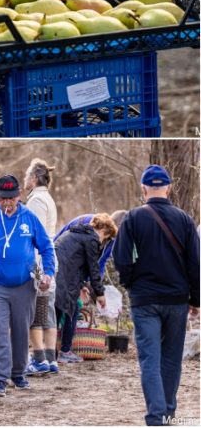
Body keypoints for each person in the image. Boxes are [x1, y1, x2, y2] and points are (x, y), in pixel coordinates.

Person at [113, 165, 200, 426]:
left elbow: (121, 258)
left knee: (150, 358)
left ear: (143, 189)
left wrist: (131, 283)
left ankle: (156, 415)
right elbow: (195, 262)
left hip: (145, 299)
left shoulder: (132, 218)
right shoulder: (184, 219)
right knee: (172, 357)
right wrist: (195, 299)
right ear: (169, 188)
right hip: (176, 299)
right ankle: (168, 410)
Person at [0, 175, 55, 397]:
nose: (7, 203)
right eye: (3, 199)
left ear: (19, 196)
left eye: (11, 199)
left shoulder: (29, 218)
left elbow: (46, 248)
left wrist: (48, 273)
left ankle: (18, 374)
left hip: (24, 285)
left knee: (20, 331)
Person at [54, 213, 116, 366]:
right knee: (72, 310)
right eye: (106, 239)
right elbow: (93, 267)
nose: (104, 243)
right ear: (104, 231)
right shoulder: (92, 239)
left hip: (57, 271)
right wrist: (100, 294)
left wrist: (82, 285)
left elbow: (78, 263)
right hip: (64, 275)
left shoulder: (77, 232)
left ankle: (51, 352)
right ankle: (65, 351)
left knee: (57, 312)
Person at [23, 159, 59, 377]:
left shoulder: (36, 200)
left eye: (27, 175)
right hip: (48, 258)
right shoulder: (47, 197)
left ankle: (39, 359)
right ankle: (50, 358)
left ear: (34, 178)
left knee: (37, 308)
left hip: (39, 260)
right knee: (47, 308)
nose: (25, 179)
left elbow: (35, 235)